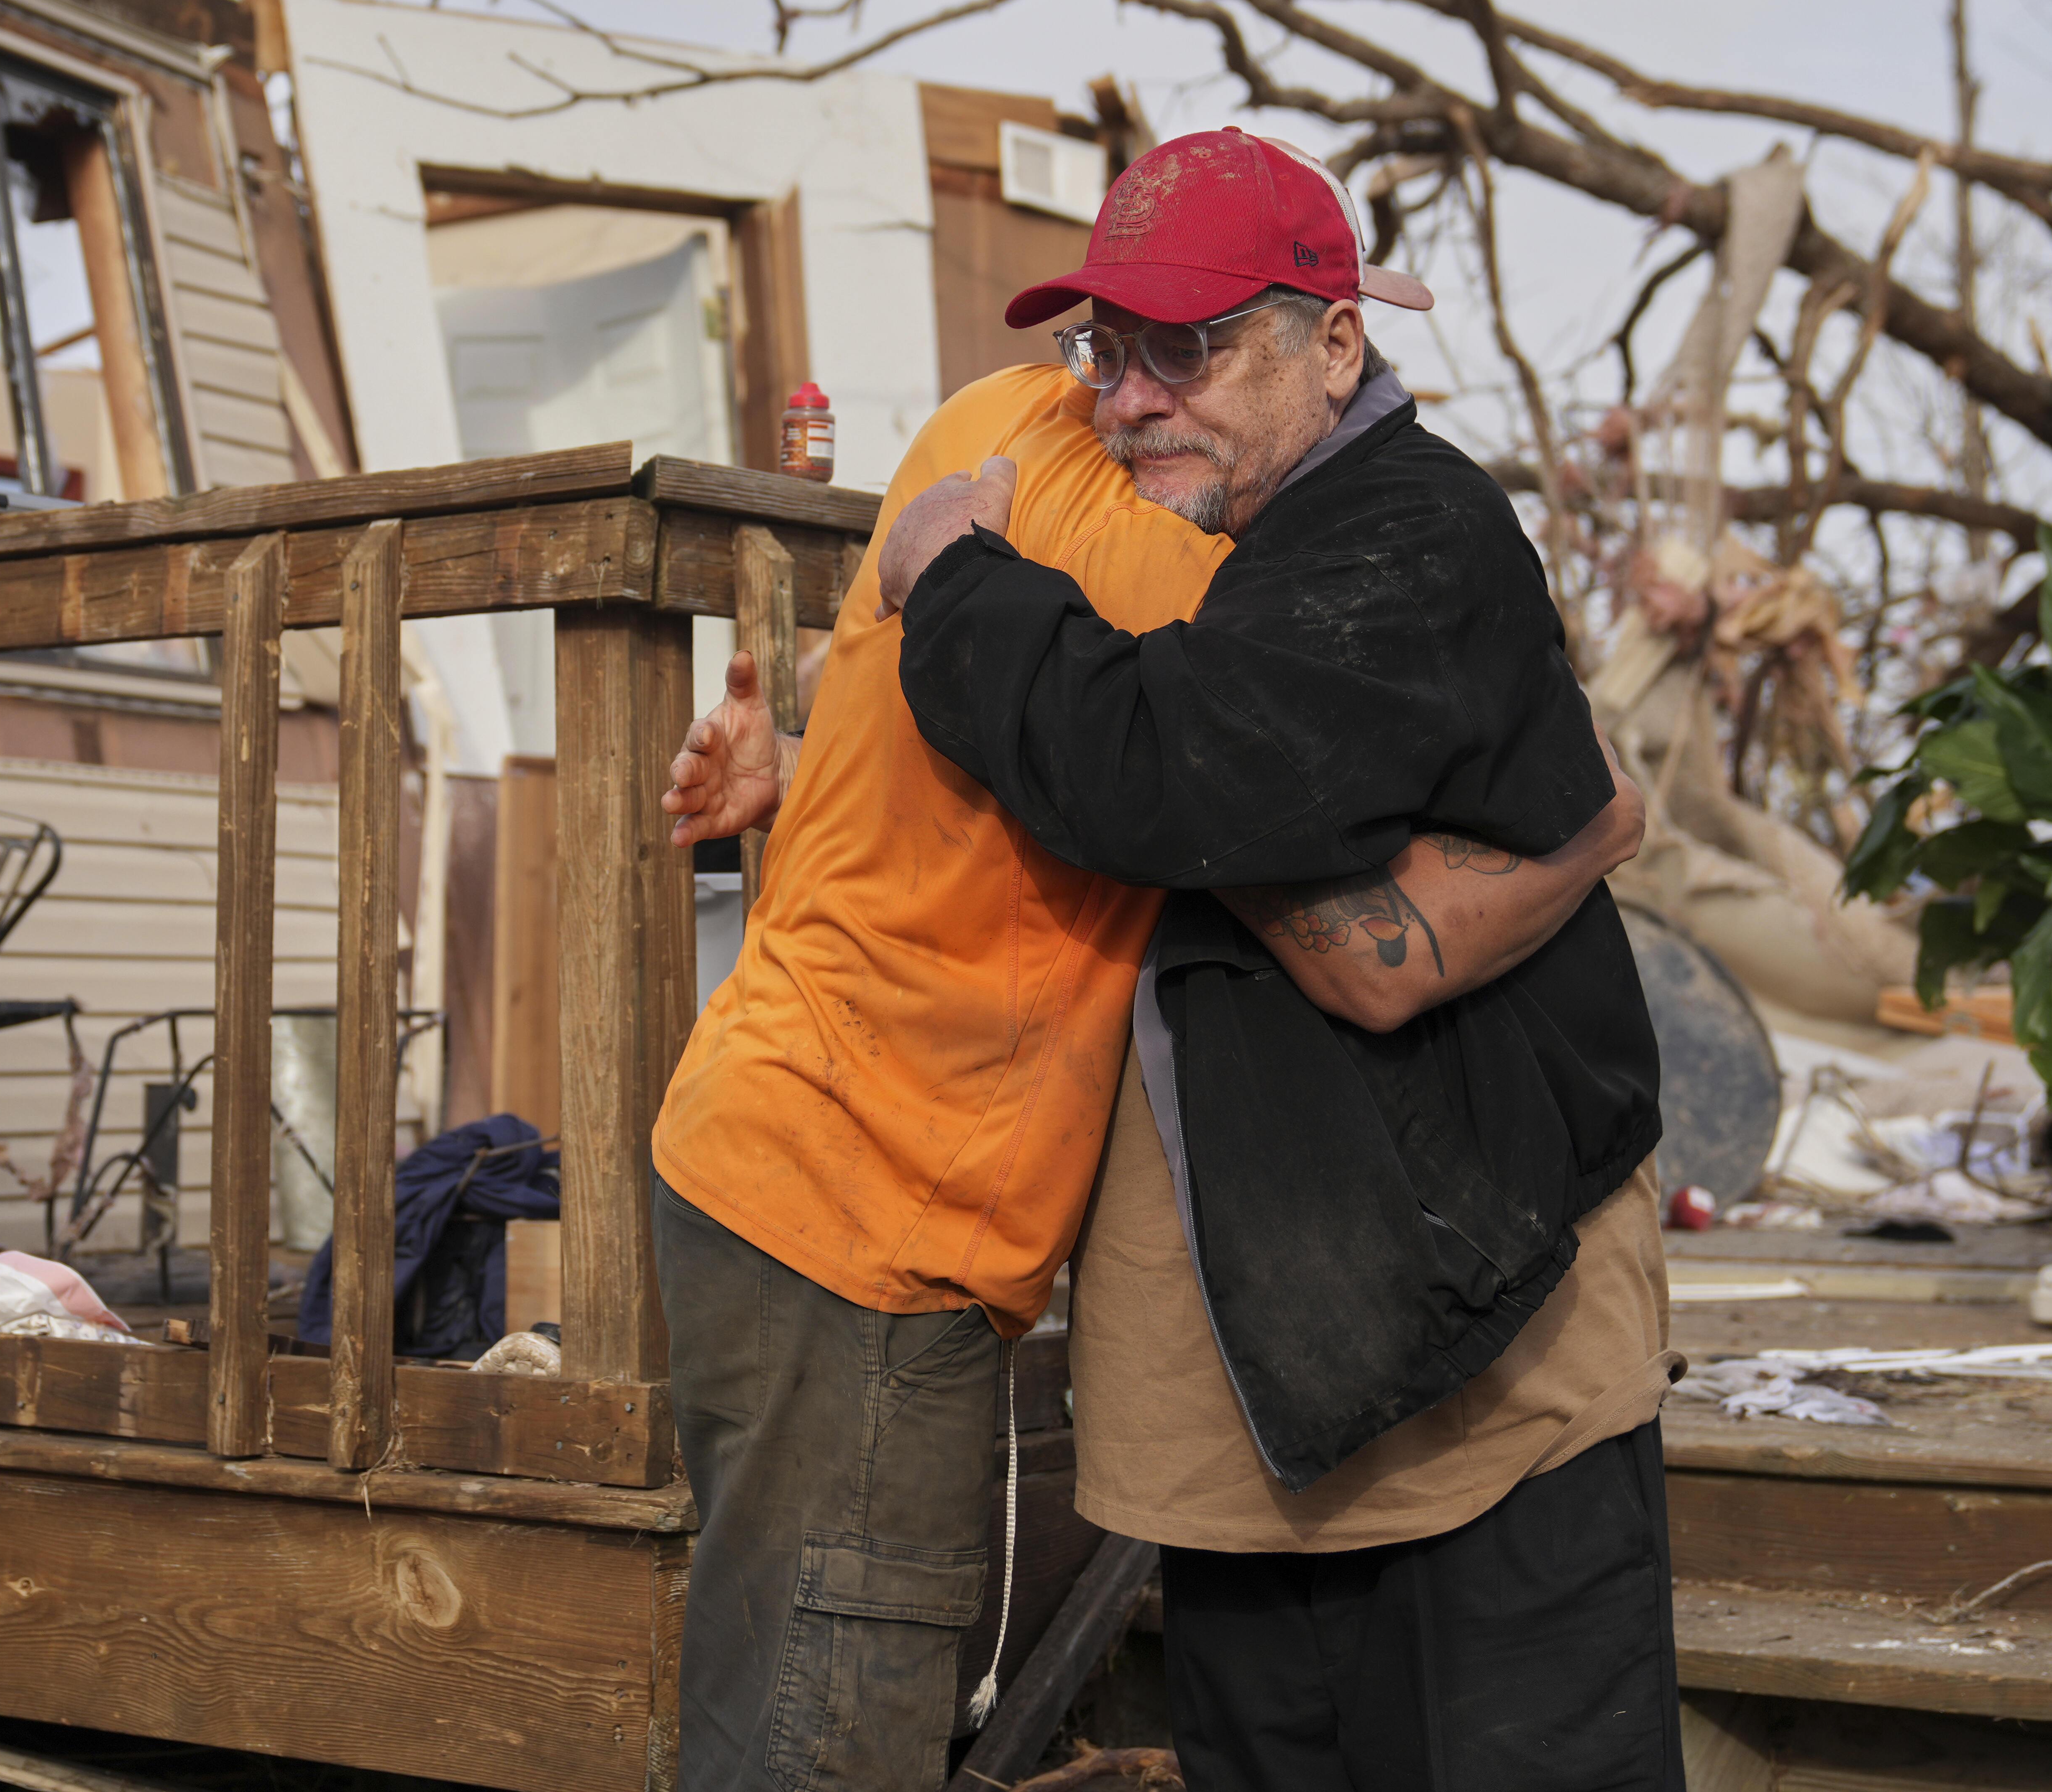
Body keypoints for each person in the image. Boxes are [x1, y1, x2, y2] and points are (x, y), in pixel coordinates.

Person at [648, 132, 1643, 1792]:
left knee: (780, 1704)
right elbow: (1267, 866)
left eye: (1186, 346)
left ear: (1337, 343)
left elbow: (980, 746)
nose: (1132, 392)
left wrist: (803, 768)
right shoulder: (1174, 551)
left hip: (787, 1163)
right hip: (870, 1209)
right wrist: (1588, 835)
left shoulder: (986, 444)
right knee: (828, 1731)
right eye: (1112, 343)